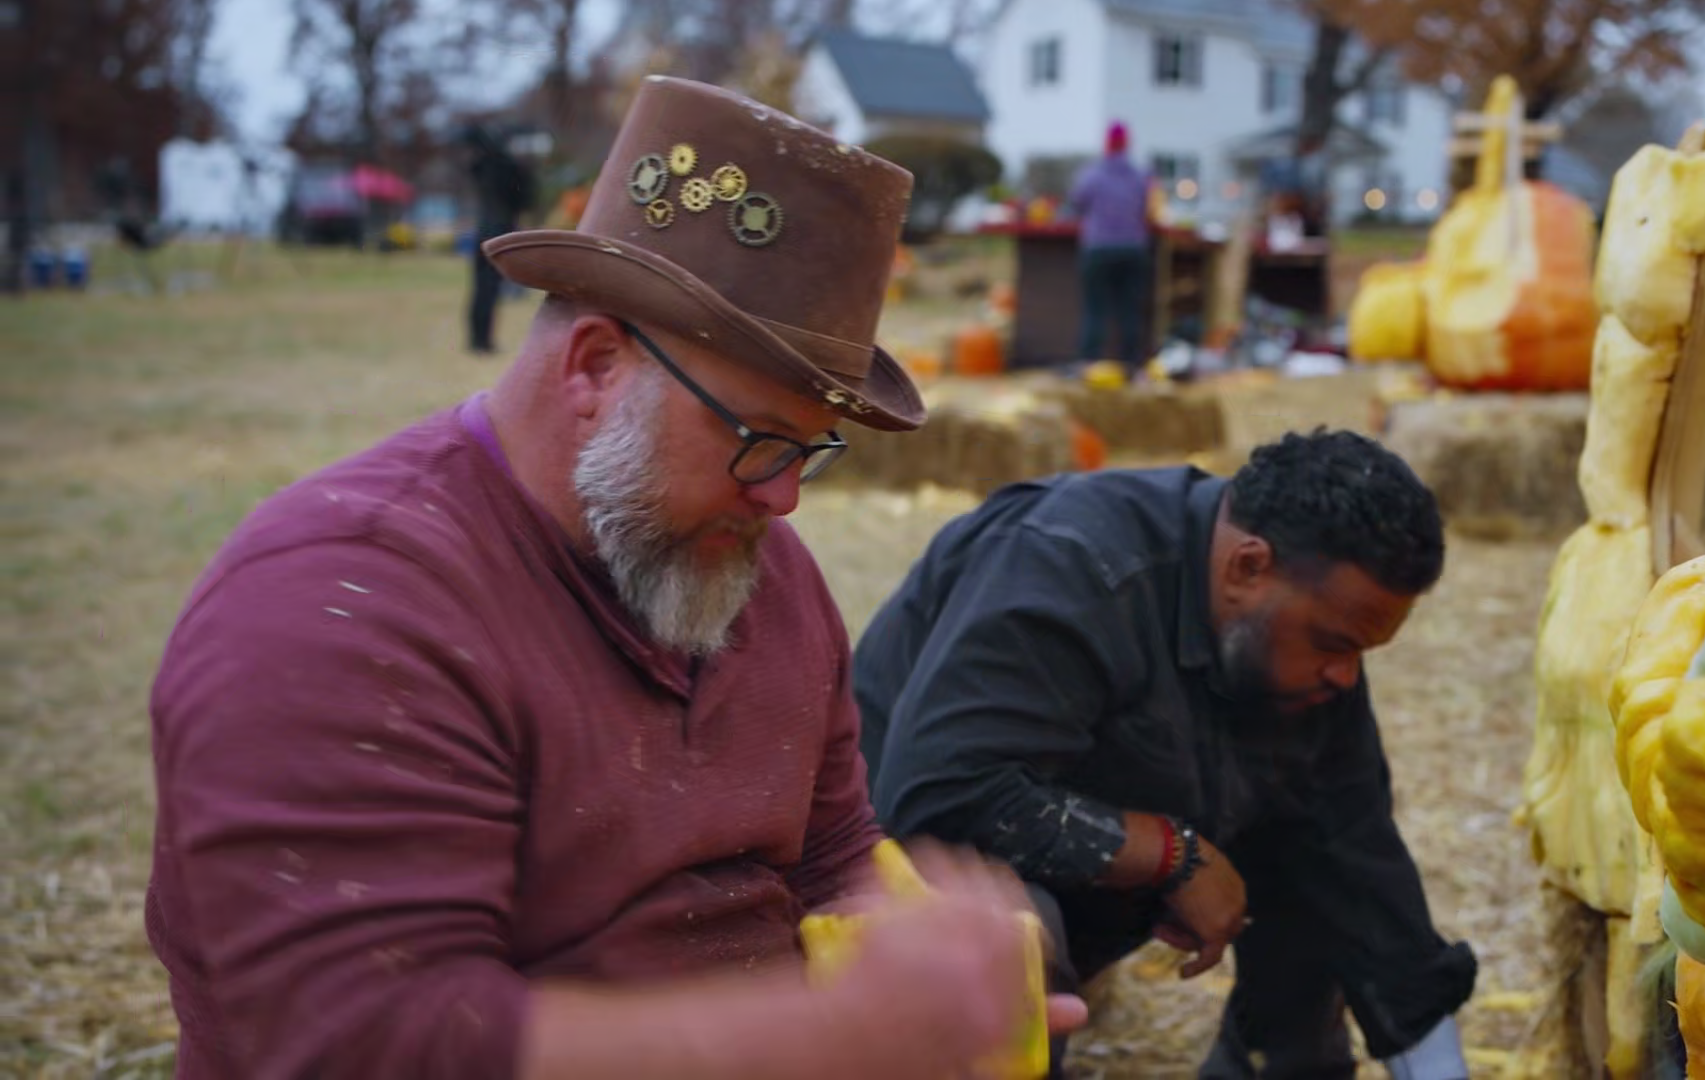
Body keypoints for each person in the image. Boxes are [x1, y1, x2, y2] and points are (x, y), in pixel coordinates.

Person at [145, 75, 1084, 1079]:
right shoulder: (344, 605)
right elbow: (371, 1043)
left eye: (809, 451)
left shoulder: (753, 567)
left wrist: (920, 960)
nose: (783, 500)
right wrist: (837, 1037)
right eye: (761, 438)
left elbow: (832, 851)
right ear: (594, 366)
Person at [854, 429, 1479, 1080]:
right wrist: (1171, 855)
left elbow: (1353, 843)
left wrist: (1437, 1063)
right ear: (1248, 567)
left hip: (1088, 850)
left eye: (1361, 654)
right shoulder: (1073, 565)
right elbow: (939, 795)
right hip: (902, 872)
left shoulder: (1300, 630)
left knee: (1321, 871)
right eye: (1334, 644)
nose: (1346, 676)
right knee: (1007, 926)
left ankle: (1275, 1063)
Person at [1067, 121, 1155, 377]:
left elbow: (1077, 202)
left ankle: (1089, 364)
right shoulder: (1141, 176)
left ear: (1106, 144)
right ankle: (1131, 366)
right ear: (1127, 144)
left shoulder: (1092, 175)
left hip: (1098, 248)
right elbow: (1149, 208)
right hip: (1133, 248)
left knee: (1095, 308)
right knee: (1130, 310)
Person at [463, 122, 537, 354]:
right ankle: (482, 341)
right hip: (500, 230)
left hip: (482, 230)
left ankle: (478, 338)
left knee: (480, 288)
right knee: (490, 287)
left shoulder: (482, 166)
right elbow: (524, 199)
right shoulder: (509, 168)